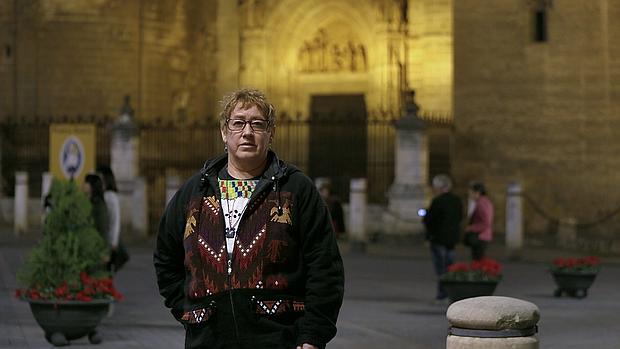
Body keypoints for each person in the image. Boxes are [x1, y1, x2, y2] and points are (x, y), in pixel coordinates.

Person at [154, 88, 345, 349]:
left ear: (271, 133)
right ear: (224, 132)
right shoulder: (194, 191)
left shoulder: (295, 188)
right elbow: (166, 257)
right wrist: (190, 311)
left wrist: (312, 335)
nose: (247, 132)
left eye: (257, 124)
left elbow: (325, 267)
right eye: (238, 123)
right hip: (208, 341)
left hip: (279, 339)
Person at [422, 174, 463, 302]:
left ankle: (442, 293)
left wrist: (428, 233)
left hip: (438, 238)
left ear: (439, 187)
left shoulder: (438, 201)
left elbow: (429, 220)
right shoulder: (457, 200)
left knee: (441, 268)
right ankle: (450, 293)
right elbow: (460, 217)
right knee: (450, 267)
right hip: (451, 239)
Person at [97, 165, 129, 273]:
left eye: (100, 178)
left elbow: (115, 221)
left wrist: (113, 243)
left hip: (109, 241)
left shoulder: (110, 197)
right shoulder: (104, 196)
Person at [464, 181, 494, 260]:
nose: (469, 194)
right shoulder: (484, 202)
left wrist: (471, 228)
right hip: (483, 236)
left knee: (478, 261)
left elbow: (486, 222)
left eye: (471, 192)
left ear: (477, 192)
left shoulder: (481, 203)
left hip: (480, 236)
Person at [82, 174, 109, 241]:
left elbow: (102, 229)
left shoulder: (98, 205)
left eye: (85, 182)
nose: (82, 184)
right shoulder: (84, 202)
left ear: (92, 186)